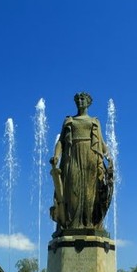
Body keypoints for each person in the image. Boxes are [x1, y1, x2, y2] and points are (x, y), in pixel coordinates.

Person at [50, 92, 114, 233]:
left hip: (91, 157)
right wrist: (56, 156)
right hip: (72, 156)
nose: (80, 101)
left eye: (83, 99)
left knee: (90, 193)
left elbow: (102, 143)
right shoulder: (69, 120)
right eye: (78, 99)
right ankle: (72, 224)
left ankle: (89, 223)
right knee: (72, 190)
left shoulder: (94, 121)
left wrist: (109, 158)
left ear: (88, 102)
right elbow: (61, 141)